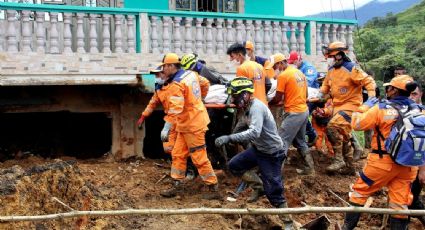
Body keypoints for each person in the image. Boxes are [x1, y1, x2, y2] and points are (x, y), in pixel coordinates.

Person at [214, 77, 296, 229]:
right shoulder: (245, 109)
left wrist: (230, 137)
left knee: (274, 191)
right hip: (258, 149)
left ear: (245, 95)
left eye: (235, 96)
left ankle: (288, 223)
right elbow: (241, 125)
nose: (233, 99)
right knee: (235, 165)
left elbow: (254, 132)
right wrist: (231, 136)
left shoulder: (256, 107)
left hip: (272, 153)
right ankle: (259, 188)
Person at [343, 75, 419, 230]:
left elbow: (356, 124)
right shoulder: (420, 110)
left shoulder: (382, 109)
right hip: (409, 165)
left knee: (359, 192)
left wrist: (364, 106)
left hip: (382, 163)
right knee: (399, 204)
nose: (387, 90)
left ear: (394, 91)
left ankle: (347, 228)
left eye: (389, 88)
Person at [157, 53, 219, 199]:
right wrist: (200, 99)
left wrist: (166, 128)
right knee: (178, 154)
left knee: (199, 156)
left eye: (164, 67)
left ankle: (213, 187)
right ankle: (176, 184)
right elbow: (205, 84)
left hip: (193, 125)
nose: (163, 70)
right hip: (187, 123)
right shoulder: (191, 74)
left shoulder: (177, 84)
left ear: (171, 66)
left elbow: (175, 110)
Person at [320, 41, 376, 174]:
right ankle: (350, 167)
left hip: (351, 105)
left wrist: (371, 97)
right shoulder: (331, 70)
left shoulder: (352, 68)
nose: (332, 60)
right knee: (344, 135)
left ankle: (338, 159)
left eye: (333, 57)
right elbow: (325, 87)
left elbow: (368, 81)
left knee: (332, 127)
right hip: (337, 106)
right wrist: (317, 95)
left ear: (340, 55)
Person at [268, 53, 315, 175]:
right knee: (300, 141)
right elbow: (305, 95)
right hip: (304, 111)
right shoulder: (300, 73)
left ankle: (275, 172)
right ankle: (310, 169)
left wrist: (269, 103)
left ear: (280, 63)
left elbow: (278, 98)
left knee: (280, 141)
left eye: (275, 67)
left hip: (294, 113)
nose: (275, 70)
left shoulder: (284, 76)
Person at [287, 51, 318, 146]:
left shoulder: (308, 68)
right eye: (290, 63)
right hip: (301, 96)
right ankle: (301, 138)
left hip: (313, 97)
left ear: (298, 60)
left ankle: (311, 134)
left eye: (293, 62)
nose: (291, 65)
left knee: (301, 112)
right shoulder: (296, 69)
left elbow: (307, 82)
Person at [408, 84, 425, 227]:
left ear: (420, 95)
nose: (411, 97)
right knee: (406, 199)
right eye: (409, 94)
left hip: (419, 164)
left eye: (414, 94)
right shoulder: (403, 112)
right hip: (404, 165)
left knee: (411, 199)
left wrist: (422, 169)